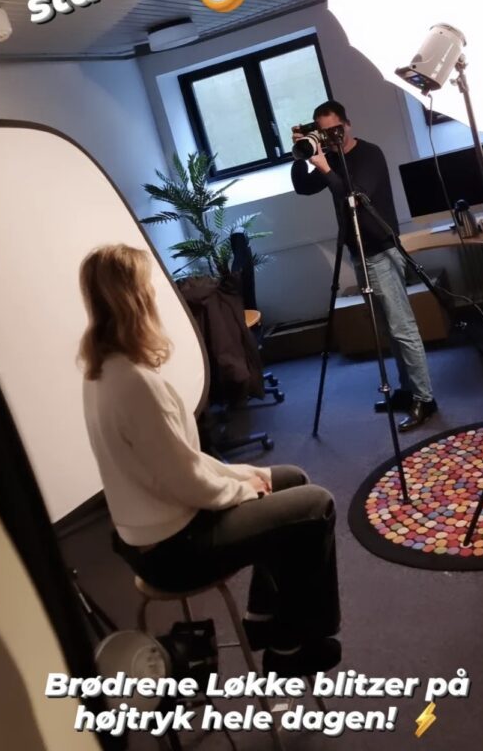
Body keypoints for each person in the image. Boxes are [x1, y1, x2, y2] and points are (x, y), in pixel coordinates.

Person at [78, 244, 341, 677]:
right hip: (175, 549)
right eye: (149, 288)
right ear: (135, 298)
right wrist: (243, 488)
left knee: (288, 478)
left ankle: (263, 617)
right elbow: (187, 481)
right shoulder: (135, 384)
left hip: (152, 533)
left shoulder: (101, 371)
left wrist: (245, 473)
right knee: (317, 506)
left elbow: (179, 460)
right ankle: (295, 645)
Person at [291, 100, 438, 432]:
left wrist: (327, 169)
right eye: (324, 132)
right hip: (359, 252)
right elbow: (302, 187)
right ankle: (406, 391)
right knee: (387, 330)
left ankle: (426, 400)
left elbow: (355, 195)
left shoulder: (368, 154)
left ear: (348, 124)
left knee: (402, 328)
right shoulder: (328, 157)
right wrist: (299, 155)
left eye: (335, 130)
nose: (331, 137)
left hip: (382, 252)